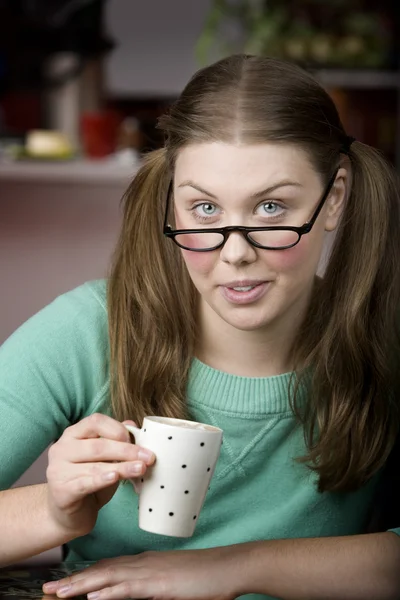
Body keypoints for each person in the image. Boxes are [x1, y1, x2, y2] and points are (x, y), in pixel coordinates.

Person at [1, 53, 400, 600]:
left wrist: (230, 567)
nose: (235, 254)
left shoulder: (385, 340)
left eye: (271, 208)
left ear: (333, 198)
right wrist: (53, 512)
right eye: (205, 209)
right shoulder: (87, 331)